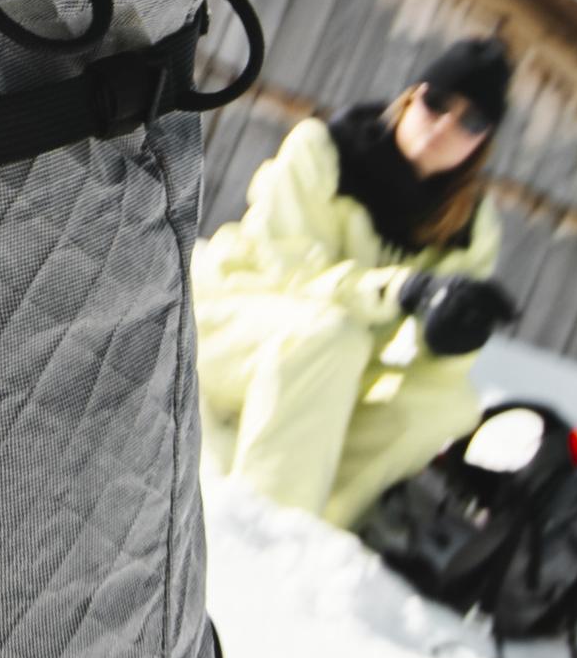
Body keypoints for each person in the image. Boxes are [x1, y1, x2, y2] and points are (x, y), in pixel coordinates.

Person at [195, 36, 525, 527]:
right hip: (226, 331)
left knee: (445, 404)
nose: (445, 125)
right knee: (330, 336)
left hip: (326, 378)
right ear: (413, 95)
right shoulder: (323, 150)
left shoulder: (471, 228)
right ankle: (264, 532)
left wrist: (449, 332)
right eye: (438, 102)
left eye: (471, 121)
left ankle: (319, 528)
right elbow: (286, 268)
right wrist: (399, 291)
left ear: (483, 142)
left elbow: (422, 354)